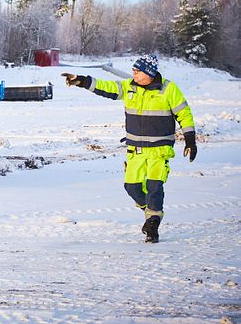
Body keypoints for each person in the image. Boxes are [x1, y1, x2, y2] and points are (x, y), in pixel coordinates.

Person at [62, 54, 197, 243]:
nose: (132, 73)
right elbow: (106, 87)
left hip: (159, 150)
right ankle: (149, 212)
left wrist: (190, 139)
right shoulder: (129, 87)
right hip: (135, 150)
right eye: (133, 70)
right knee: (132, 187)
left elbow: (184, 113)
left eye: (136, 70)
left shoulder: (168, 89)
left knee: (154, 186)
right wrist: (83, 81)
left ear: (148, 73)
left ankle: (153, 223)